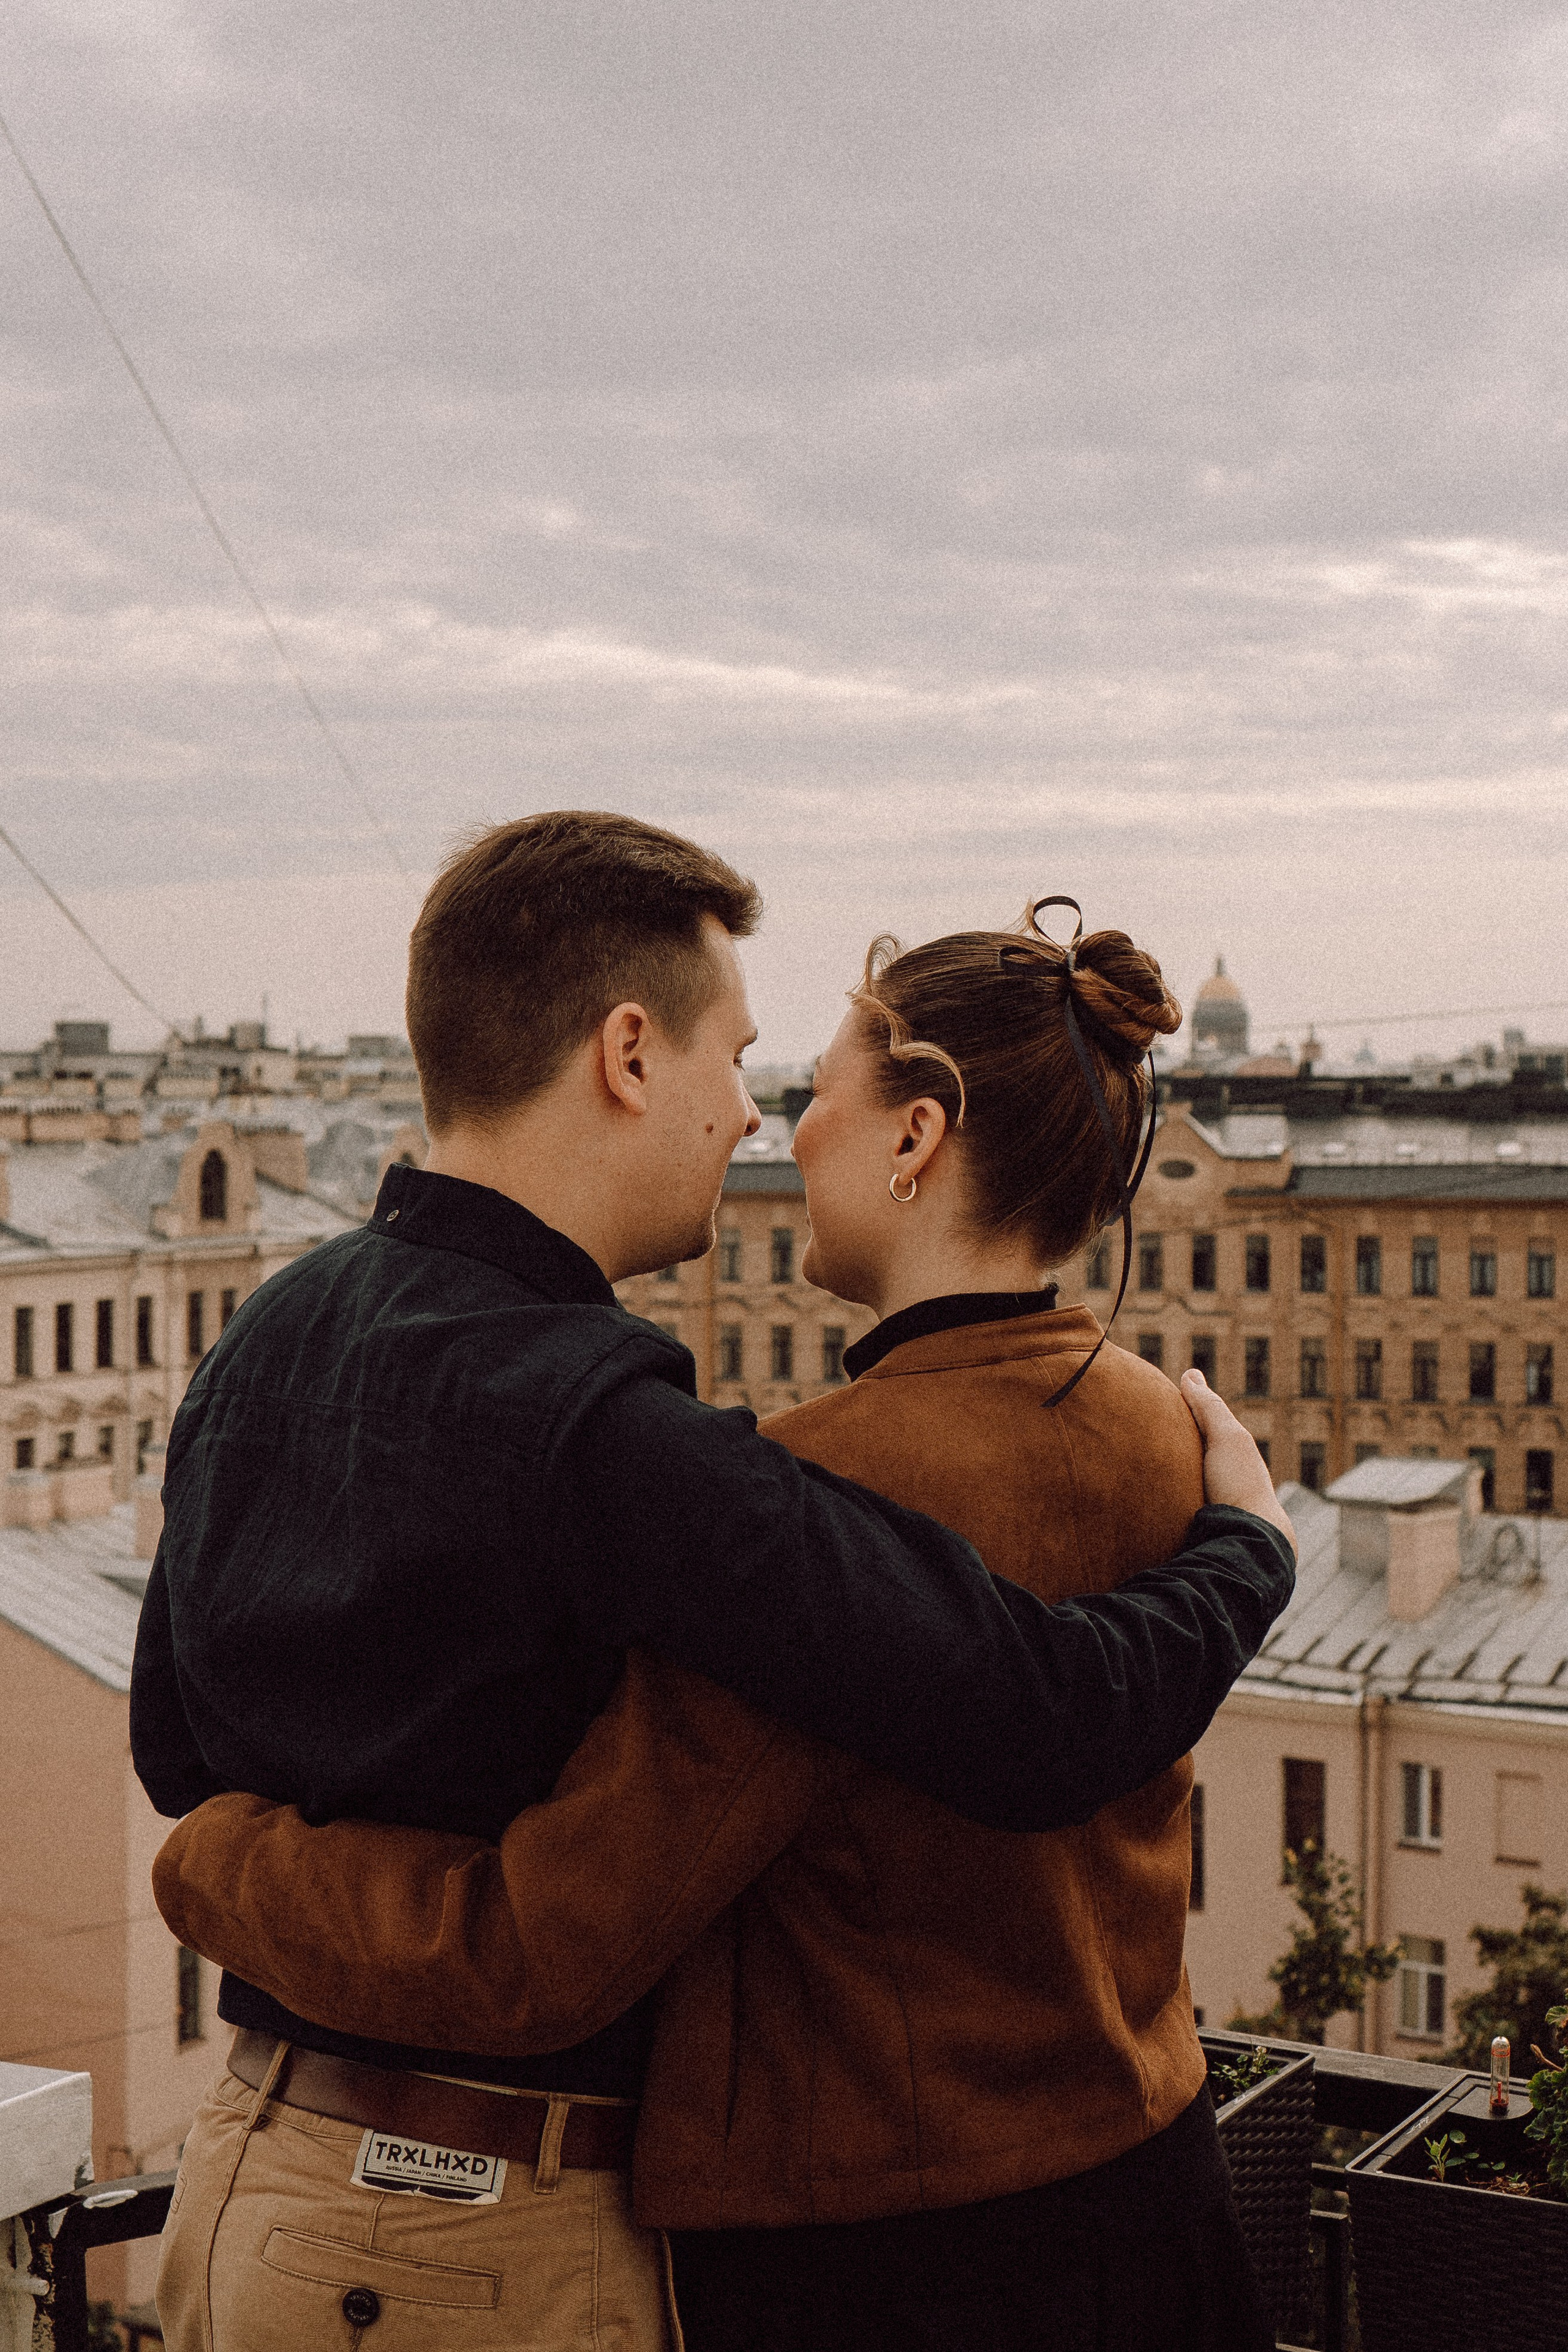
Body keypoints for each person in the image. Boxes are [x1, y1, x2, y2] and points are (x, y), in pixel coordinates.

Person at [152, 875, 1293, 2352]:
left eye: (803, 1083)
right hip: (1156, 2195)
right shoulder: (1166, 1433)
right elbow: (1052, 1716)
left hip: (884, 2263)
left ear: (918, 1136)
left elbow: (524, 1931)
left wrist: (210, 1864)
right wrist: (1247, 1554)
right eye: (749, 1071)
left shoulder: (272, 1331)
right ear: (629, 1053)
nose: (766, 1123)